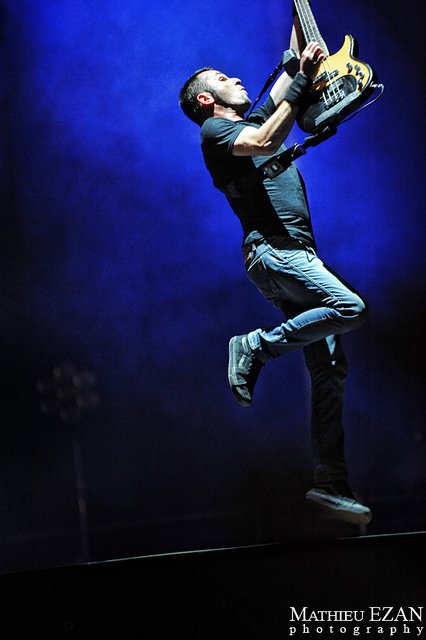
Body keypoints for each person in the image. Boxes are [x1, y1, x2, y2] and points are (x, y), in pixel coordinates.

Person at [178, 6, 372, 526]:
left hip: (293, 255)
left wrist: (299, 25)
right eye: (224, 79)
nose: (237, 79)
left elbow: (294, 67)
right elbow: (265, 139)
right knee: (349, 308)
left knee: (330, 370)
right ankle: (255, 346)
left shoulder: (257, 117)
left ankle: (330, 483)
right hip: (274, 253)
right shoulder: (216, 133)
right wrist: (301, 79)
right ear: (206, 100)